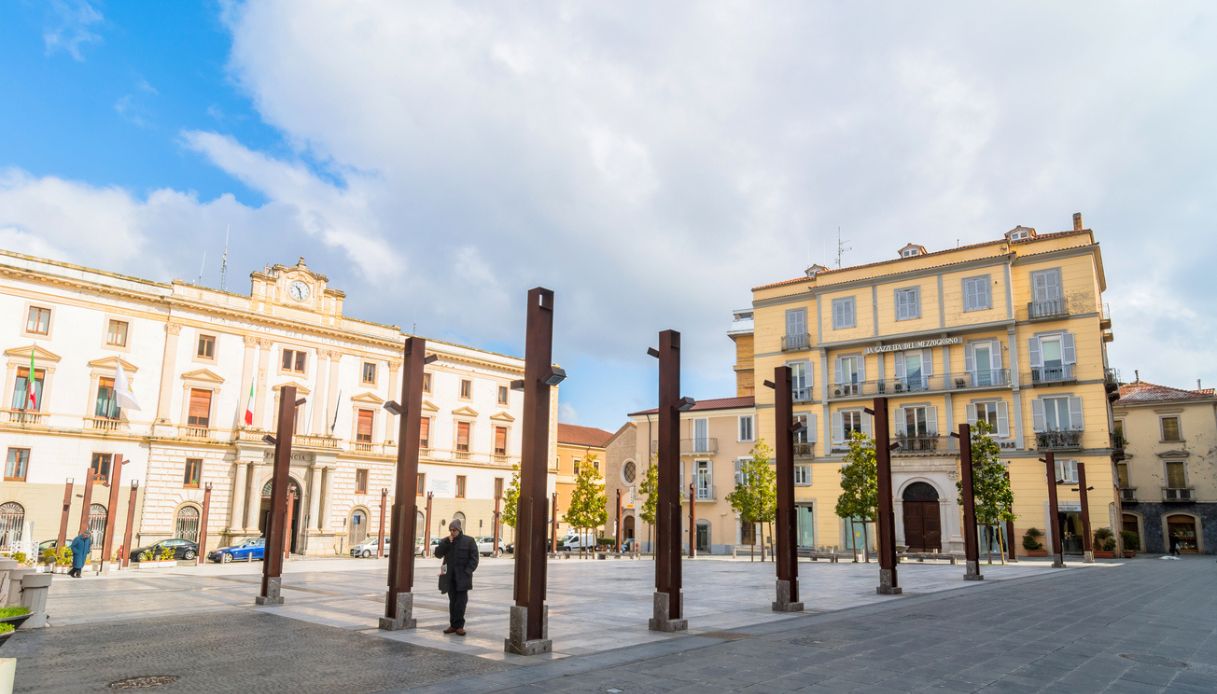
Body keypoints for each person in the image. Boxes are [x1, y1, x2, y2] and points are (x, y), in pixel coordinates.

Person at [435, 519, 479, 635]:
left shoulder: (469, 541)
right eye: (450, 530)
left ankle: (459, 626)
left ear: (459, 530)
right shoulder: (446, 541)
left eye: (454, 530)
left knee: (461, 602)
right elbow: (438, 554)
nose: (452, 532)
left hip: (463, 577)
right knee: (453, 601)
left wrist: (468, 571)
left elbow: (474, 559)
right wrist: (446, 543)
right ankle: (453, 625)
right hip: (449, 577)